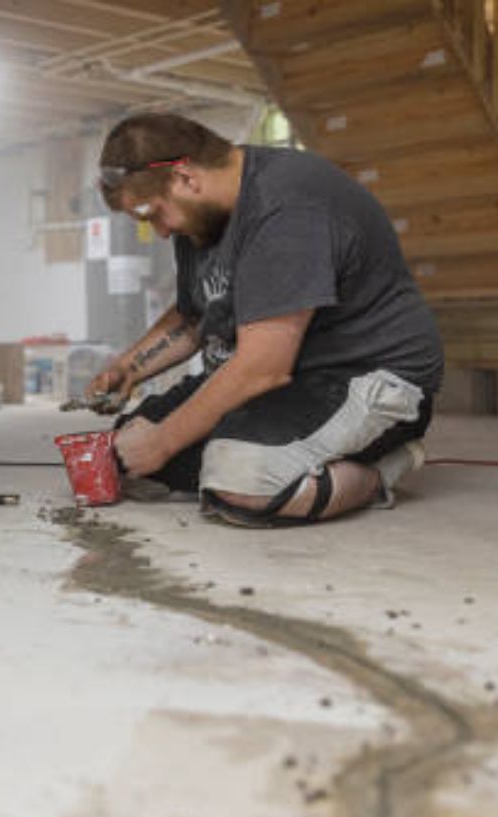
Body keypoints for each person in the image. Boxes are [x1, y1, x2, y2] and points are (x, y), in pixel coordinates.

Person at [87, 112, 443, 525]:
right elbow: (196, 316)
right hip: (283, 375)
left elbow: (261, 368)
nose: (161, 232)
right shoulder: (200, 219)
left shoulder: (287, 204)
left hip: (362, 374)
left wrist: (165, 442)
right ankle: (265, 456)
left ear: (185, 177)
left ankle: (380, 471)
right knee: (125, 451)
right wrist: (129, 368)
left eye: (154, 214)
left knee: (242, 483)